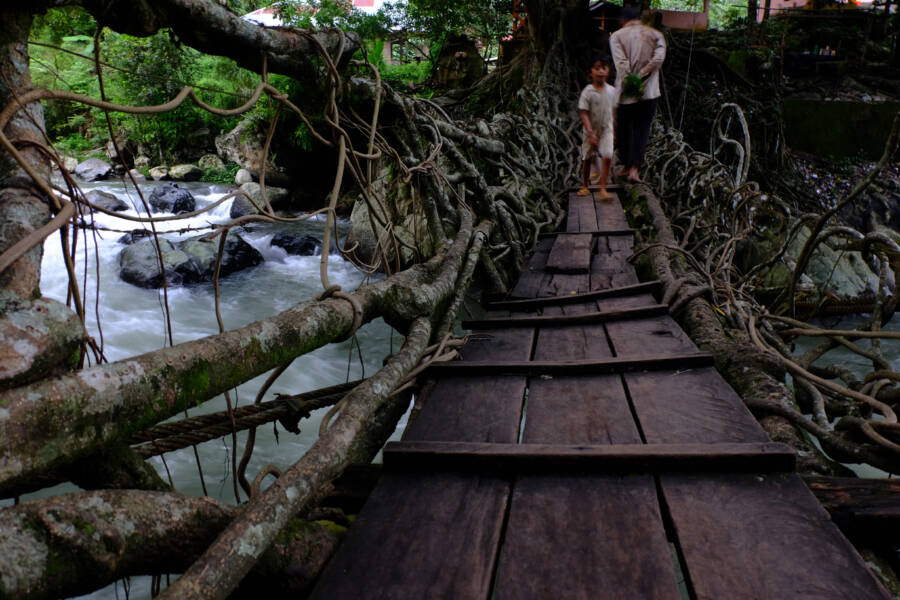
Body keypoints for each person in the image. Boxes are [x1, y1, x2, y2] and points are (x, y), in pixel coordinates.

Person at [610, 5, 666, 183]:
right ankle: (634, 170)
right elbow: (658, 59)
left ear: (623, 20)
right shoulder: (656, 34)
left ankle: (626, 166)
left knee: (624, 129)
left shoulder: (617, 36)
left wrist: (631, 81)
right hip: (650, 92)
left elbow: (621, 63)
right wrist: (642, 77)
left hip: (625, 94)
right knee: (642, 130)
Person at [576, 54, 616, 200]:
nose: (600, 71)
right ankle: (585, 185)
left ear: (608, 71)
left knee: (607, 156)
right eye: (597, 68)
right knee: (586, 158)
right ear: (590, 72)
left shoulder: (612, 91)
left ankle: (603, 188)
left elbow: (613, 111)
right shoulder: (588, 91)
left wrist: (614, 130)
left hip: (606, 130)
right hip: (590, 130)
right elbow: (584, 113)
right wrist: (590, 132)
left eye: (603, 68)